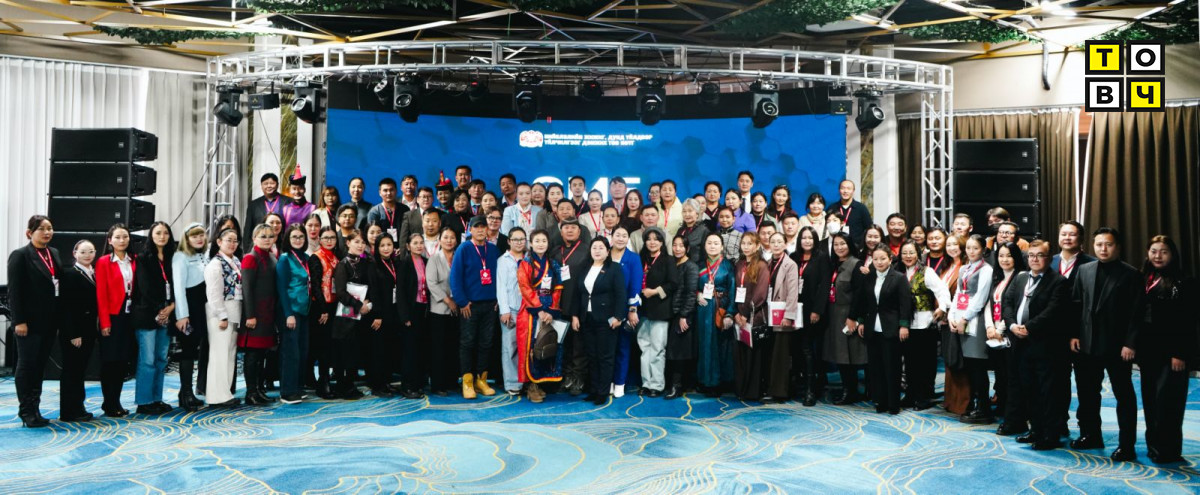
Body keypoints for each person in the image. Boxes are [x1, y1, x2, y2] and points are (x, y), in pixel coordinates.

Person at [1070, 227, 1142, 462]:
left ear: (1117, 247)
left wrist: (1130, 343)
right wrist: (1074, 334)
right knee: (1088, 394)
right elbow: (1076, 304)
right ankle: (1091, 435)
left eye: (1108, 244)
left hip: (1118, 347)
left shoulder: (1131, 274)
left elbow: (1137, 313)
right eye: (1099, 244)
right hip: (1087, 344)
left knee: (1124, 396)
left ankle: (1126, 445)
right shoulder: (1084, 270)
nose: (1103, 249)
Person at [1000, 240, 1071, 451]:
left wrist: (1028, 327)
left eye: (1040, 255)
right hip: (1020, 344)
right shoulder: (1021, 277)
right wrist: (1012, 325)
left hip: (1045, 345)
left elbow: (1053, 311)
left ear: (1049, 258)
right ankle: (1036, 430)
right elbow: (1007, 303)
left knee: (1047, 391)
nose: (1035, 259)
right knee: (1028, 389)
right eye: (1031, 255)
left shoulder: (1058, 281)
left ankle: (1050, 435)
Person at [1137, 235, 1194, 464]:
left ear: (1172, 254)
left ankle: (1168, 450)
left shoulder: (1184, 282)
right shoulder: (1144, 278)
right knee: (1150, 400)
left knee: (1169, 402)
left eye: (1164, 251)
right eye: (1153, 251)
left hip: (1172, 353)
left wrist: (1180, 353)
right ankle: (1154, 446)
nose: (1158, 256)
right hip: (1148, 351)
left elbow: (1188, 322)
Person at [7, 216, 63, 427]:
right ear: (29, 233)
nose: (47, 232)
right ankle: (26, 411)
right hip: (28, 323)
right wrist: (19, 321)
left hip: (49, 321)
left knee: (39, 366)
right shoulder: (20, 255)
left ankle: (35, 408)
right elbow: (15, 292)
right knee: (27, 366)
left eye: (50, 228)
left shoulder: (54, 253)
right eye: (42, 229)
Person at [848, 244, 914, 415]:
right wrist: (861, 321)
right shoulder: (869, 277)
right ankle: (880, 401)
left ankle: (893, 404)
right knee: (876, 368)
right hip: (872, 328)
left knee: (892, 368)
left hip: (891, 329)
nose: (879, 262)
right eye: (875, 259)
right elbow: (864, 302)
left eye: (883, 258)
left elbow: (905, 304)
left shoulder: (899, 278)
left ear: (890, 259)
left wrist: (904, 325)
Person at [567, 237, 628, 406]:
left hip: (607, 320)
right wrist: (575, 316)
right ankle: (593, 390)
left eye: (601, 248)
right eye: (594, 247)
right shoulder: (584, 268)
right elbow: (577, 294)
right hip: (586, 319)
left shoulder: (614, 268)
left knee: (605, 357)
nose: (597, 251)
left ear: (608, 251)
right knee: (591, 356)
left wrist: (618, 316)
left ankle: (603, 392)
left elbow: (621, 294)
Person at [450, 216, 501, 399]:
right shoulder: (463, 249)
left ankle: (481, 380)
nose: (480, 230)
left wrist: (499, 298)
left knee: (486, 343)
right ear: (470, 230)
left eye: (483, 227)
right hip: (470, 305)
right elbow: (455, 277)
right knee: (467, 343)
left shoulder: (493, 250)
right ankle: (467, 381)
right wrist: (462, 301)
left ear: (487, 230)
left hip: (490, 304)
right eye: (476, 227)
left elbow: (500, 276)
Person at [896, 241, 951, 411]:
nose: (908, 256)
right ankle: (911, 394)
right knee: (909, 362)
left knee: (925, 363)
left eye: (911, 253)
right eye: (904, 253)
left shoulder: (927, 272)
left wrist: (942, 307)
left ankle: (924, 396)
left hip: (925, 323)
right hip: (905, 324)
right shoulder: (898, 272)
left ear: (918, 254)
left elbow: (942, 291)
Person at [516, 229, 566, 403]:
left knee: (547, 345)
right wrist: (539, 309)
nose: (540, 244)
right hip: (531, 310)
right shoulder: (525, 263)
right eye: (537, 241)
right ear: (531, 243)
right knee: (530, 347)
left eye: (544, 241)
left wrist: (551, 310)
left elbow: (558, 287)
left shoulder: (553, 263)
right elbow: (524, 288)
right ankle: (531, 386)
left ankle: (541, 383)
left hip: (550, 309)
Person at [950, 235, 995, 424]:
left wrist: (964, 318)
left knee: (978, 367)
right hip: (962, 320)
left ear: (983, 250)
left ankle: (984, 408)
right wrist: (952, 316)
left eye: (975, 248)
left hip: (976, 321)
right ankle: (975, 404)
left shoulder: (986, 270)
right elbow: (958, 294)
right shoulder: (964, 269)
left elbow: (980, 298)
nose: (971, 251)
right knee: (969, 366)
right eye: (968, 248)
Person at [133, 222, 176, 415]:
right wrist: (160, 311)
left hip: (167, 312)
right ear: (151, 235)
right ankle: (144, 402)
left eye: (166, 233)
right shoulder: (143, 258)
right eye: (158, 233)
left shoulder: (173, 257)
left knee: (160, 359)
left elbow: (176, 285)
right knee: (147, 360)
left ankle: (157, 398)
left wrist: (170, 308)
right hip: (148, 314)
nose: (162, 236)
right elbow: (145, 288)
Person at [95, 223, 136, 418]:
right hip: (112, 316)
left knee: (122, 361)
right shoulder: (103, 262)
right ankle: (109, 403)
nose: (122, 240)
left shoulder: (134, 260)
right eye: (118, 237)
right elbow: (101, 294)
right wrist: (104, 322)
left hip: (129, 316)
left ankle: (116, 401)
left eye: (125, 237)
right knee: (110, 361)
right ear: (110, 240)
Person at [822, 233, 866, 405]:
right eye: (836, 244)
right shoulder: (833, 264)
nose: (839, 247)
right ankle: (847, 388)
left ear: (850, 245)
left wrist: (853, 317)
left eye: (843, 244)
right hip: (833, 314)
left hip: (847, 315)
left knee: (850, 355)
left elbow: (860, 294)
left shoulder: (856, 264)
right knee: (839, 355)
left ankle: (851, 391)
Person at [986, 241, 1026, 428]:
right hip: (995, 334)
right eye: (1001, 256)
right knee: (1000, 374)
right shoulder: (998, 277)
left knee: (1012, 376)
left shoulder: (1021, 277)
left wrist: (1000, 330)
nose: (1004, 259)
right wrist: (990, 327)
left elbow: (1014, 308)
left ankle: (1015, 416)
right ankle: (1004, 407)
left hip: (1010, 334)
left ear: (1016, 257)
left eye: (1009, 256)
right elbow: (990, 304)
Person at [58, 239, 99, 422]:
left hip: (88, 329)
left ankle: (78, 407)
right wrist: (73, 334)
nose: (87, 255)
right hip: (75, 332)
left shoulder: (93, 273)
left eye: (90, 251)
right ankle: (69, 411)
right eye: (82, 252)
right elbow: (66, 307)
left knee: (79, 370)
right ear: (74, 254)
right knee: (71, 371)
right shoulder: (69, 274)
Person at [792, 226, 833, 406]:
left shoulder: (822, 257)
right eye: (804, 238)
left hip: (812, 310)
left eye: (810, 238)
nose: (807, 241)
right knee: (797, 348)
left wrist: (817, 310)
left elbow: (825, 285)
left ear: (815, 240)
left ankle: (811, 390)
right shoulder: (794, 257)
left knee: (808, 348)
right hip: (795, 309)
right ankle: (800, 384)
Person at [635, 227, 677, 398]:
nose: (652, 242)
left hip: (660, 309)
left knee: (658, 348)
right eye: (649, 239)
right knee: (644, 348)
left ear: (661, 242)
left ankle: (657, 385)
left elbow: (673, 284)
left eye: (656, 239)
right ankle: (646, 383)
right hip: (642, 310)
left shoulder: (668, 260)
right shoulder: (640, 259)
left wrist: (654, 291)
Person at [171, 223, 209, 412]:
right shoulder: (180, 256)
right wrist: (182, 315)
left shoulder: (205, 254)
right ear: (186, 239)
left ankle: (187, 392)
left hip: (202, 308)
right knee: (187, 350)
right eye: (194, 236)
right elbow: (178, 288)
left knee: (194, 349)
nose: (199, 239)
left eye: (201, 235)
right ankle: (185, 393)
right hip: (188, 310)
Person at [203, 228, 243, 407]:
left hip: (235, 312)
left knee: (229, 353)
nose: (233, 244)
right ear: (219, 242)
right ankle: (216, 396)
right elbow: (213, 294)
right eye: (229, 240)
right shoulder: (215, 264)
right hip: (220, 314)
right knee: (219, 355)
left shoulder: (236, 261)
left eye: (235, 241)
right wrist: (222, 315)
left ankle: (226, 393)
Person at [241, 224, 279, 405]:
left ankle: (258, 389)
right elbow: (247, 289)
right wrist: (250, 315)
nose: (267, 239)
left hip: (268, 314)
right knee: (253, 355)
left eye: (270, 236)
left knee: (262, 354)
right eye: (263, 236)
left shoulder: (271, 257)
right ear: (254, 238)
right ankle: (250, 392)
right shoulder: (250, 258)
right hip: (255, 314)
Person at [731, 233, 771, 402]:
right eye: (744, 243)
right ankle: (741, 389)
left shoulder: (762, 265)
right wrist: (736, 313)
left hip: (754, 316)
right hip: (739, 316)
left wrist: (746, 314)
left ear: (757, 246)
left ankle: (753, 391)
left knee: (753, 355)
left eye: (750, 244)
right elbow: (734, 289)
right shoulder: (739, 264)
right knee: (740, 355)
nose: (746, 247)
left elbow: (760, 294)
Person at [695, 233, 736, 396]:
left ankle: (718, 382)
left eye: (716, 243)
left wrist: (730, 314)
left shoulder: (728, 266)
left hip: (721, 308)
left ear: (722, 246)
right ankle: (704, 380)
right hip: (703, 308)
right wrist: (697, 294)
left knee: (720, 345)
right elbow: (691, 285)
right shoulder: (699, 265)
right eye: (709, 243)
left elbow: (733, 290)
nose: (712, 246)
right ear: (704, 246)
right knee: (704, 344)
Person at [331, 229, 370, 400]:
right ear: (348, 243)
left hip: (361, 314)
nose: (360, 245)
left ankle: (350, 384)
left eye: (362, 242)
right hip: (345, 313)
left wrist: (367, 303)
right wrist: (359, 305)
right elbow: (341, 292)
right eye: (356, 242)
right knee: (343, 350)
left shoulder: (365, 263)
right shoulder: (343, 264)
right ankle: (342, 386)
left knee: (355, 350)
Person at [275, 225, 312, 404]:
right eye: (294, 237)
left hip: (304, 310)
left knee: (302, 351)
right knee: (291, 352)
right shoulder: (284, 259)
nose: (298, 240)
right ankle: (287, 391)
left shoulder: (306, 258)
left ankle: (297, 386)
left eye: (301, 237)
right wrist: (288, 314)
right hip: (290, 310)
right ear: (288, 239)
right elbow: (281, 288)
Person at [555, 218, 592, 396]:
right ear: (561, 232)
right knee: (563, 345)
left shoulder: (587, 251)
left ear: (579, 231)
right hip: (558, 306)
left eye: (573, 227)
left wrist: (577, 310)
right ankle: (566, 376)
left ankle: (579, 379)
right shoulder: (555, 251)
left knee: (579, 346)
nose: (569, 230)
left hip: (578, 306)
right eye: (566, 227)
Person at [761, 232, 799, 403]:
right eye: (773, 242)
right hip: (768, 313)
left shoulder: (790, 264)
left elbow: (793, 292)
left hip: (782, 314)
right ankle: (770, 387)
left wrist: (789, 315)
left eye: (779, 242)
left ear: (785, 244)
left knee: (781, 355)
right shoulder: (768, 263)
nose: (776, 245)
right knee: (771, 352)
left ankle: (779, 392)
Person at [426, 227, 462, 396]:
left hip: (457, 309)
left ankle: (451, 381)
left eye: (452, 237)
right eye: (445, 237)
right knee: (438, 348)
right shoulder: (434, 259)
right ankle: (438, 384)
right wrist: (449, 301)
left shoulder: (459, 258)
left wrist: (459, 302)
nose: (449, 241)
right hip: (439, 309)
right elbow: (431, 283)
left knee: (453, 346)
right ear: (440, 240)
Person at [608, 226, 644, 398]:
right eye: (618, 235)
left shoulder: (633, 258)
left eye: (624, 235)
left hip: (624, 309)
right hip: (605, 309)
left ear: (628, 238)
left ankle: (620, 383)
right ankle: (608, 381)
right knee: (607, 349)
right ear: (611, 237)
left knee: (622, 347)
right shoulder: (605, 254)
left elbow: (636, 285)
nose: (621, 238)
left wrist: (632, 309)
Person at [396, 233, 431, 399]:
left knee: (421, 348)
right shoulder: (404, 263)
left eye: (421, 242)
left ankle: (418, 383)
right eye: (415, 243)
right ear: (408, 246)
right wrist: (405, 316)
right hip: (411, 310)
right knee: (409, 350)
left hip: (424, 309)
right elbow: (401, 292)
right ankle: (407, 386)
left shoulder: (426, 262)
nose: (419, 246)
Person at [665, 235, 700, 399]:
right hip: (670, 312)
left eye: (681, 245)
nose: (677, 248)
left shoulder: (691, 266)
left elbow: (691, 293)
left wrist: (684, 315)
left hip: (683, 314)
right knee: (672, 350)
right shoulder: (671, 263)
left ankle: (677, 386)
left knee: (679, 352)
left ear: (687, 248)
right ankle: (672, 384)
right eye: (675, 245)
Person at [365, 233, 399, 398]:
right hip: (378, 314)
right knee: (378, 350)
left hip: (392, 312)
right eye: (382, 245)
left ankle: (385, 382)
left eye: (389, 245)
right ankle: (377, 385)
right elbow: (373, 291)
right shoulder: (373, 265)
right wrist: (377, 315)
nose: (386, 248)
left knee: (389, 349)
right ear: (377, 248)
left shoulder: (394, 263)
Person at [940, 233, 971, 415]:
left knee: (960, 361)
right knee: (950, 359)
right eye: (948, 245)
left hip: (958, 320)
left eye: (955, 244)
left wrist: (954, 316)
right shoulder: (947, 266)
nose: (951, 248)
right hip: (945, 321)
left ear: (962, 246)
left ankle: (963, 403)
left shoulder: (965, 267)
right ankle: (951, 401)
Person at [309, 227, 340, 399]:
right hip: (321, 308)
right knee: (322, 346)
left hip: (334, 306)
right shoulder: (316, 257)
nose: (329, 241)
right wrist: (323, 309)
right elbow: (315, 285)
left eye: (332, 238)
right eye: (326, 238)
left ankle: (326, 379)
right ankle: (322, 383)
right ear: (320, 240)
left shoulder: (335, 257)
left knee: (330, 345)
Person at [497, 227, 528, 396]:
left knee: (528, 346)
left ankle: (528, 381)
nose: (519, 242)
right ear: (509, 241)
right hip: (512, 309)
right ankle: (512, 382)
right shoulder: (503, 260)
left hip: (528, 308)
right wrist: (504, 310)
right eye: (515, 239)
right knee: (510, 347)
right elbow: (501, 287)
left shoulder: (529, 258)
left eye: (522, 239)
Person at [398, 187, 443, 256]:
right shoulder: (409, 216)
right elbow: (403, 240)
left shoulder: (442, 214)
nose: (426, 199)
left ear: (433, 199)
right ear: (417, 199)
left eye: (429, 196)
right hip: (415, 255)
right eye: (423, 197)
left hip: (437, 253)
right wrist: (403, 258)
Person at [243, 173, 282, 250]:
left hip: (281, 245)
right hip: (259, 245)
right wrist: (247, 250)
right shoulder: (254, 205)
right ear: (261, 186)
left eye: (272, 183)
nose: (269, 186)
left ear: (277, 185)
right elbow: (248, 229)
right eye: (265, 184)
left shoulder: (288, 202)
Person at [367, 178, 409, 242]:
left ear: (396, 191)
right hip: (382, 246)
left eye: (391, 190)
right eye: (385, 190)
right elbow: (373, 234)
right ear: (380, 192)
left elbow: (408, 232)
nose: (388, 193)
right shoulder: (374, 212)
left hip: (402, 246)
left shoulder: (405, 209)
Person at [835, 180, 872, 245]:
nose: (845, 191)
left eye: (848, 188)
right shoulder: (833, 208)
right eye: (843, 188)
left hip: (857, 248)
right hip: (837, 247)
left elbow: (869, 228)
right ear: (839, 190)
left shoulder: (861, 208)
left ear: (853, 191)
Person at [678, 198, 710, 264]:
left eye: (690, 211)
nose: (687, 214)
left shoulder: (704, 231)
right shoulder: (680, 230)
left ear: (697, 214)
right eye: (684, 211)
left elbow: (705, 255)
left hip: (697, 266)